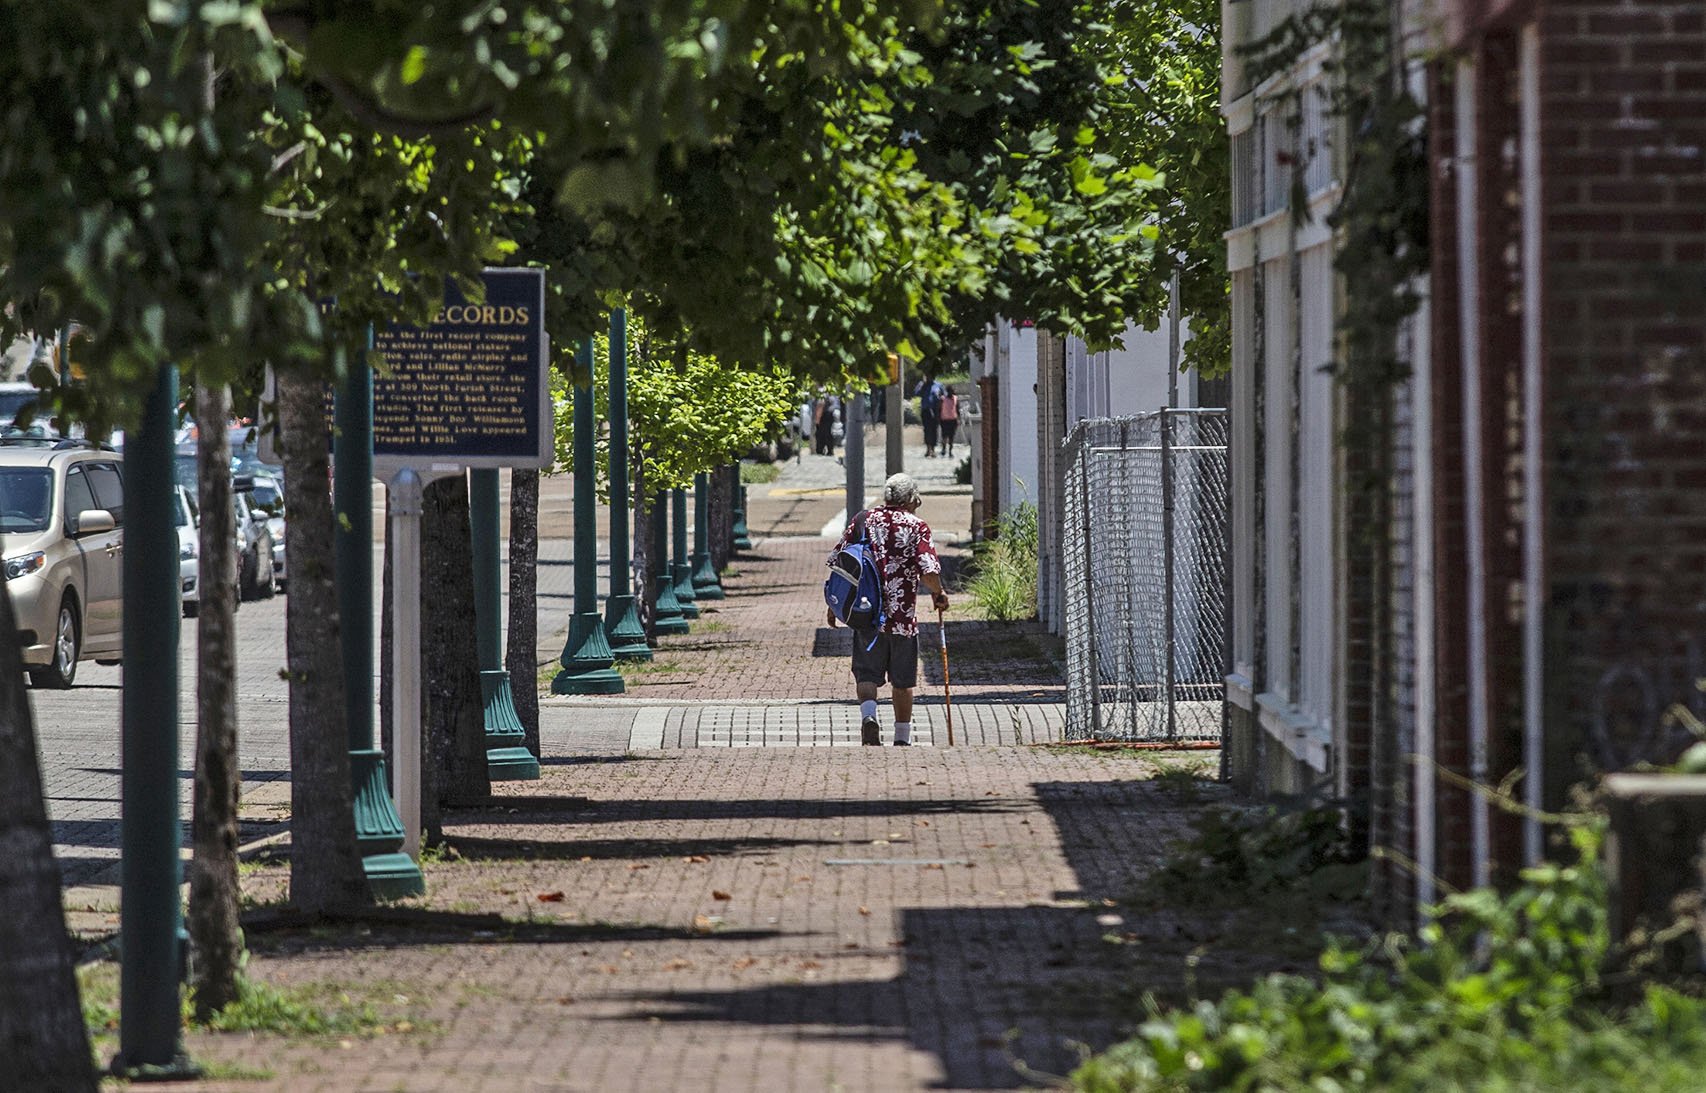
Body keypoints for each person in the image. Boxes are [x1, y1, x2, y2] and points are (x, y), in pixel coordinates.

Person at [825, 473, 950, 746]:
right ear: (912, 499)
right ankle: (902, 739)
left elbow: (840, 562)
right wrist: (939, 593)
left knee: (866, 674)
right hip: (902, 617)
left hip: (865, 613)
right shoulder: (916, 526)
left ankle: (869, 716)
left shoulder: (863, 521)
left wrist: (835, 605)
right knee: (902, 681)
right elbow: (928, 570)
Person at [915, 376, 944, 457]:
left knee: (934, 429)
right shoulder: (922, 385)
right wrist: (923, 385)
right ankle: (928, 449)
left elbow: (943, 395)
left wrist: (940, 398)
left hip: (935, 410)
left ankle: (933, 449)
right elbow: (917, 393)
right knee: (927, 429)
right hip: (926, 410)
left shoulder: (938, 385)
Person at [938, 384, 959, 457]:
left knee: (951, 436)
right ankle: (944, 449)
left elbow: (957, 409)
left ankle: (950, 451)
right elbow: (939, 409)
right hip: (945, 420)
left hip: (952, 420)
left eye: (952, 391)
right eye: (950, 391)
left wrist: (958, 419)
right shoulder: (943, 399)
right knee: (945, 436)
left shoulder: (955, 398)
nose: (951, 393)